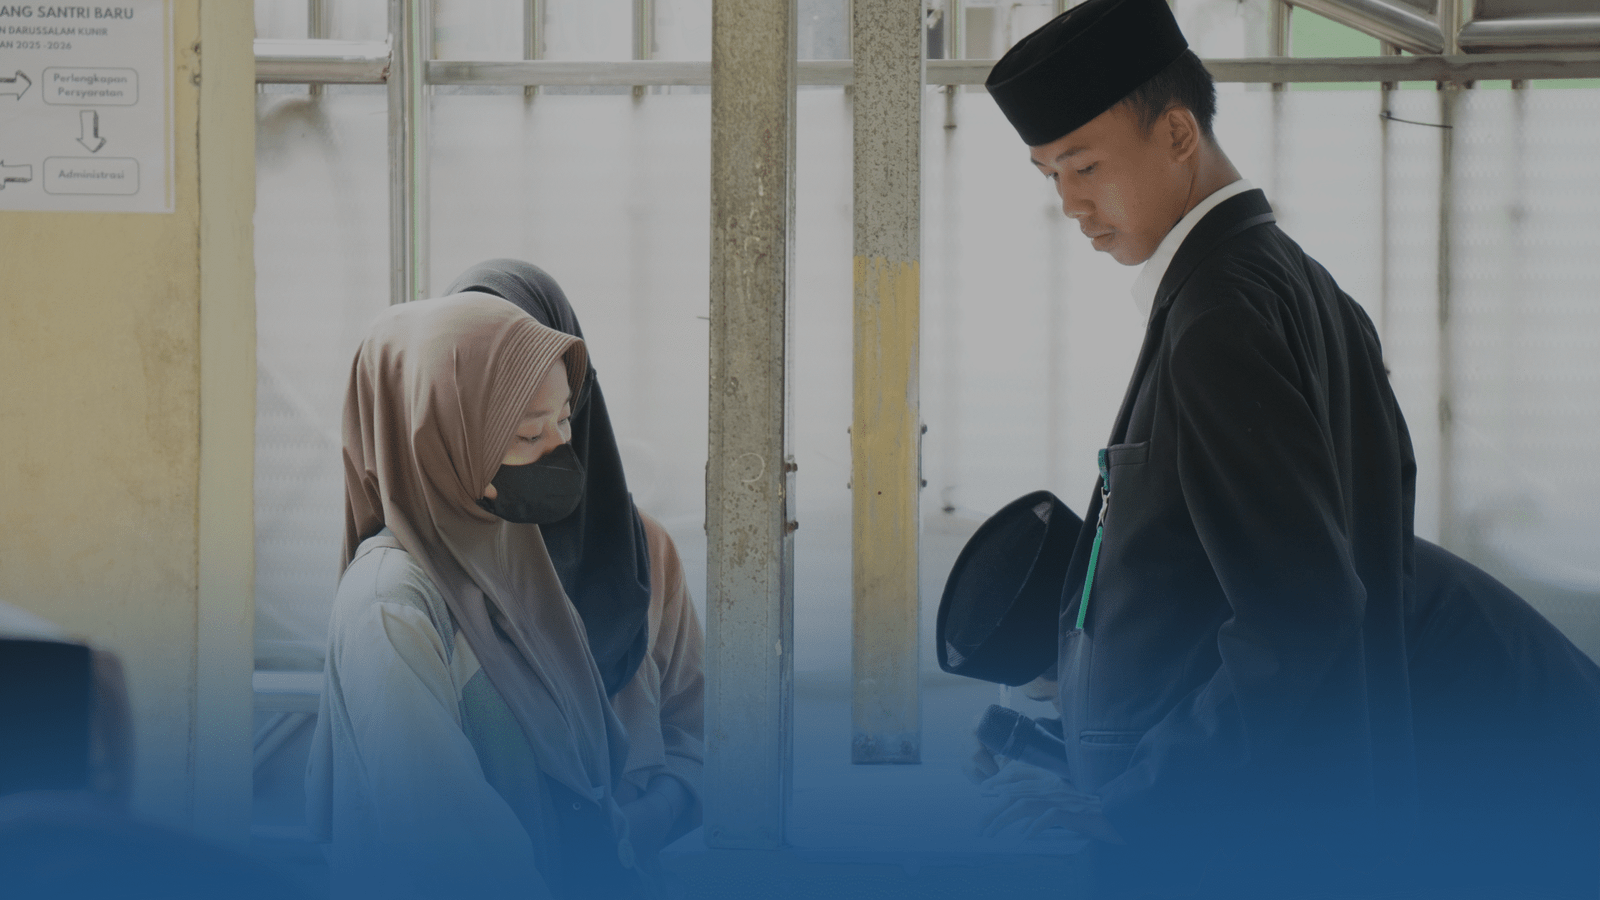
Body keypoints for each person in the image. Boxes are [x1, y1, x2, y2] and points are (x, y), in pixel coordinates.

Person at [977, 0, 1598, 895]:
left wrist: (1141, 802)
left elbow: (1298, 611)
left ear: (1177, 133)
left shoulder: (1219, 319)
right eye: (1050, 176)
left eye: (1085, 166)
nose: (1071, 204)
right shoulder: (1298, 288)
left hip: (1247, 840)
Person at [306, 279, 704, 900]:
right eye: (526, 435)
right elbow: (456, 854)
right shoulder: (389, 606)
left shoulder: (514, 557)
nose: (562, 450)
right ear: (443, 441)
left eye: (565, 420)